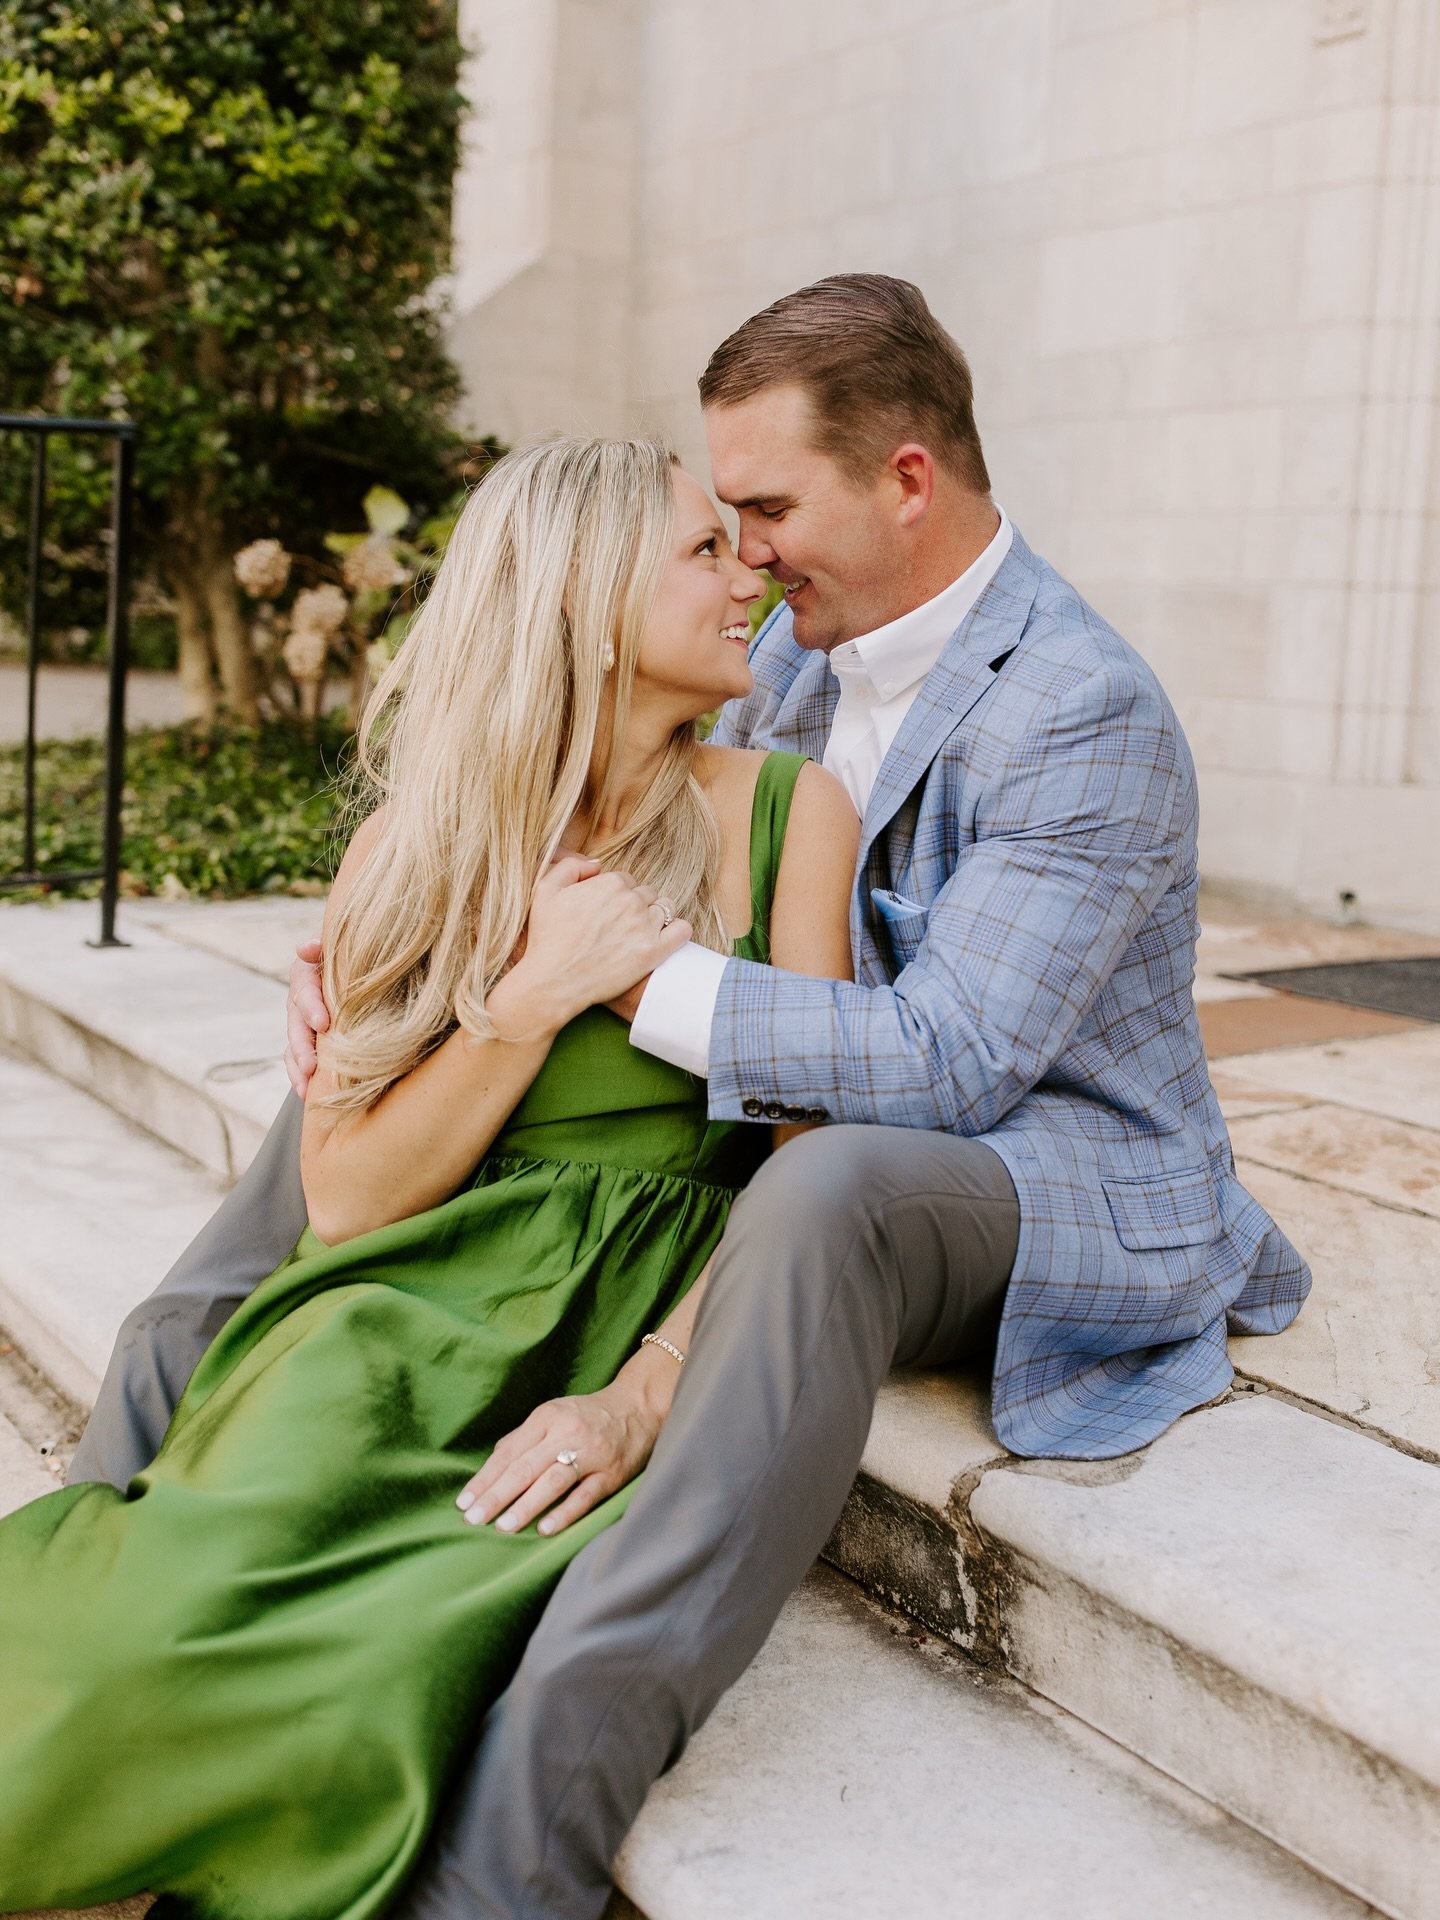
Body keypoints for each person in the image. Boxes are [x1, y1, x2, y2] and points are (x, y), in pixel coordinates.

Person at [71, 276, 1310, 1920]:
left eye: (772, 510)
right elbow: (591, 776)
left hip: (1046, 1167)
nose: (750, 552)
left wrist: (598, 984)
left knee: (824, 1188)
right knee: (329, 1115)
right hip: (806, 1095)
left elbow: (945, 1066)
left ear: (910, 481)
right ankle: (106, 1538)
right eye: (720, 524)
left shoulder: (1080, 707)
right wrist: (398, 959)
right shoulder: (795, 647)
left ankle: (518, 1851)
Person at [0, 435, 860, 1917]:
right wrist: (525, 1004)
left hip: (602, 1340)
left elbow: (808, 1162)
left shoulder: (785, 814)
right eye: (704, 549)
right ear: (588, 601)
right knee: (125, 1655)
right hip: (384, 1334)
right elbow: (341, 1202)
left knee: (371, 1692)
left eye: (744, 543)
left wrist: (650, 1384)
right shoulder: (423, 840)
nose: (753, 573)